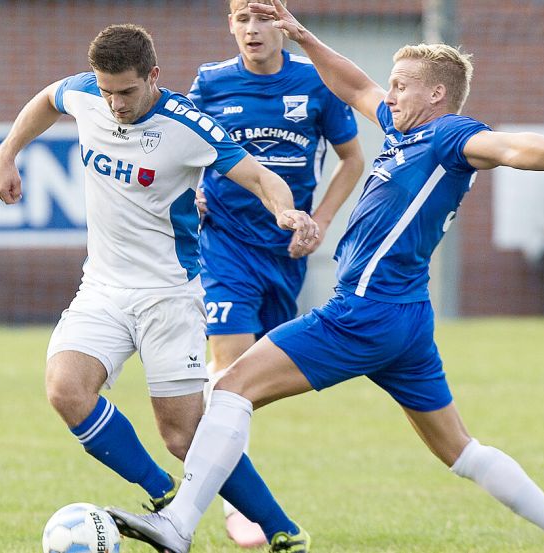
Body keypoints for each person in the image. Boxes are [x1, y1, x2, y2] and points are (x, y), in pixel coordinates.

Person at [107, 3, 544, 553]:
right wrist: (303, 37)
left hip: (364, 311)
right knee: (461, 451)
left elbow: (511, 147)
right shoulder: (402, 132)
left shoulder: (450, 136)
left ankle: (179, 523)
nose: (390, 94)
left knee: (230, 387)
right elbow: (354, 86)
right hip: (406, 319)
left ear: (437, 97)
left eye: (401, 87)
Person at [0, 23, 318, 551]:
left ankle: (283, 530)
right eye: (106, 91)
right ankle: (163, 495)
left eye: (126, 91)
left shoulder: (189, 125)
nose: (114, 103)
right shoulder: (87, 94)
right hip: (102, 287)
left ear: (153, 76)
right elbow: (47, 100)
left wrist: (288, 212)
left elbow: (259, 177)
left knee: (184, 438)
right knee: (65, 390)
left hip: (169, 297)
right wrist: (6, 154)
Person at [187, 0, 364, 545]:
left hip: (285, 253)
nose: (252, 29)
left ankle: (210, 453)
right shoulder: (210, 83)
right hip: (224, 246)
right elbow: (181, 143)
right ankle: (232, 499)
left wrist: (321, 219)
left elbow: (352, 158)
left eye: (263, 17)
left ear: (284, 24)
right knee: (229, 368)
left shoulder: (315, 85)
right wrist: (190, 187)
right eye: (241, 18)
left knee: (246, 382)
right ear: (230, 26)